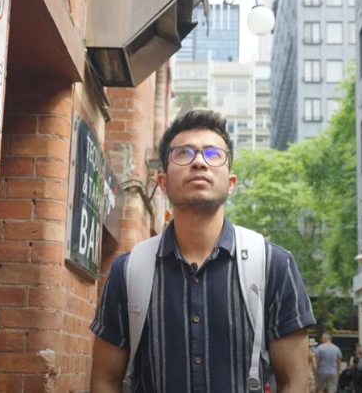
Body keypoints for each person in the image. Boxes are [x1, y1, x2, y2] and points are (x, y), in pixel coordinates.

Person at [89, 110, 316, 393]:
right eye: (183, 154)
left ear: (231, 183)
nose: (199, 162)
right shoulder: (128, 271)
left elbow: (294, 382)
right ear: (163, 183)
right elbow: (105, 380)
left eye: (212, 154)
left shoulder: (274, 266)